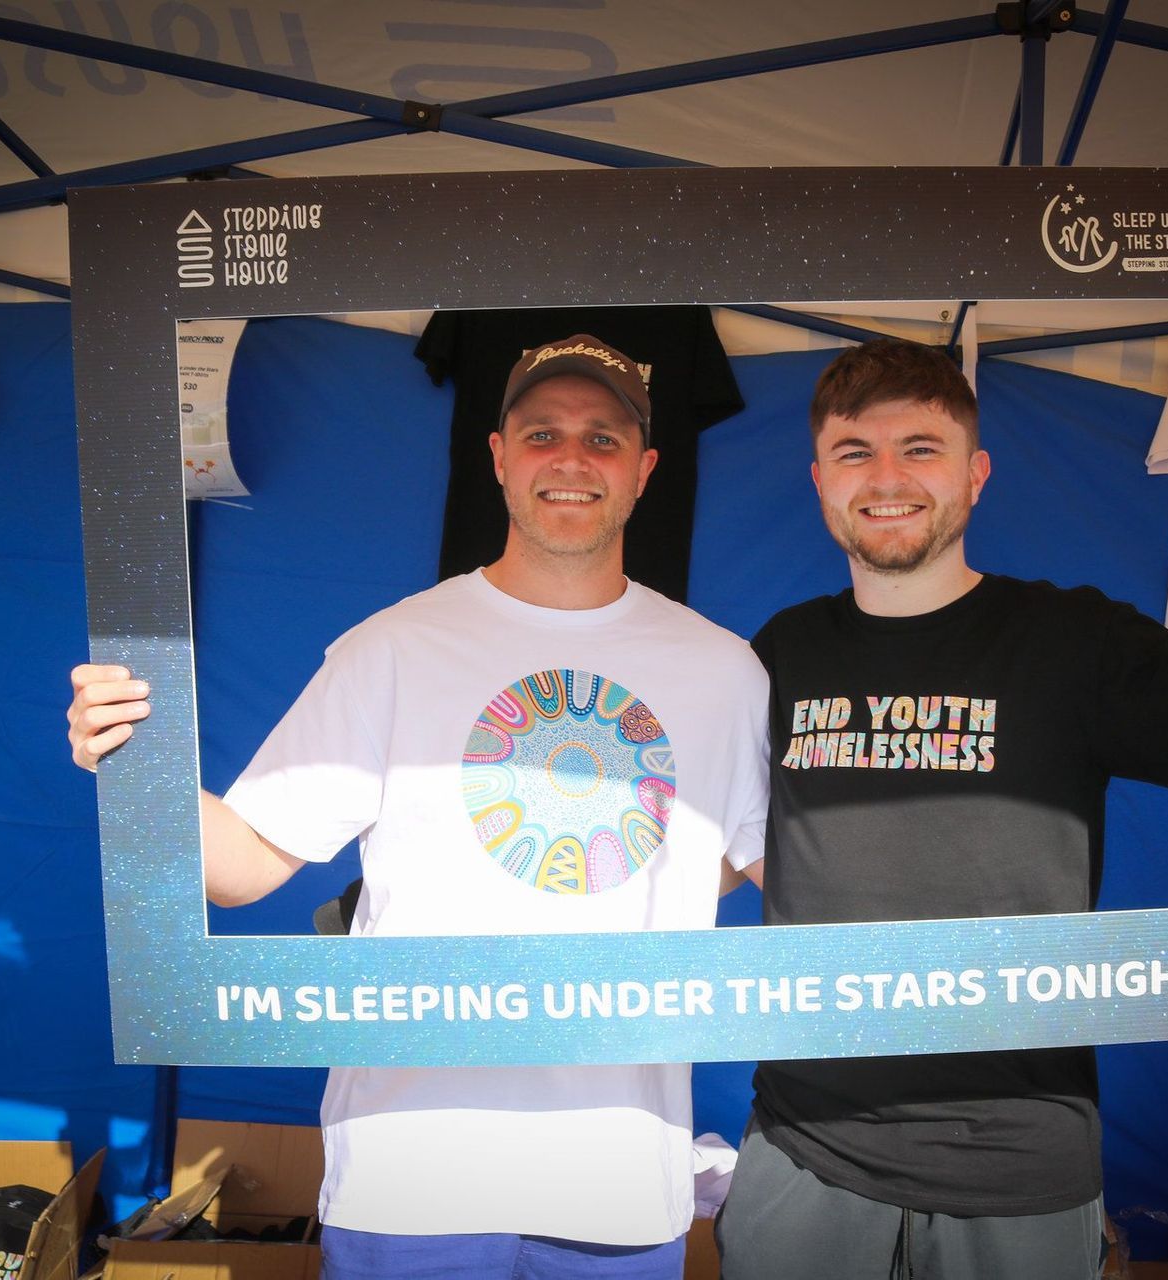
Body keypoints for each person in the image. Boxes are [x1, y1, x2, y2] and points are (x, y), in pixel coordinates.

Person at [68, 335, 769, 1279]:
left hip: (619, 1181)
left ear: (645, 470)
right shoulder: (393, 649)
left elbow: (775, 870)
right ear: (498, 457)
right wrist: (134, 766)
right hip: (411, 1175)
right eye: (543, 433)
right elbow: (240, 869)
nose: (571, 458)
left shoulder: (724, 672)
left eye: (603, 438)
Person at [715, 339, 1168, 1280]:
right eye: (855, 453)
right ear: (821, 480)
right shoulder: (782, 651)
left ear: (975, 474)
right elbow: (731, 847)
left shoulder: (1076, 641)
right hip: (804, 1144)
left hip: (1018, 1157)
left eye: (921, 449)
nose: (887, 478)